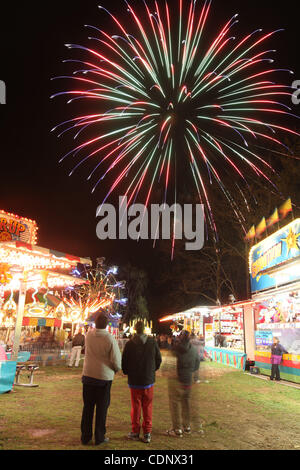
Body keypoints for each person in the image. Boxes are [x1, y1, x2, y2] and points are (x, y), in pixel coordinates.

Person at [81, 312, 121, 446]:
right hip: (103, 377)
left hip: (88, 375)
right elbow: (115, 359)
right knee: (102, 408)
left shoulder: (89, 336)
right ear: (107, 325)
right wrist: (116, 369)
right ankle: (99, 436)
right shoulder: (109, 338)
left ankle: (85, 436)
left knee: (88, 407)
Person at [122, 320, 162, 444]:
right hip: (148, 380)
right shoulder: (152, 342)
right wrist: (151, 370)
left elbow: (124, 362)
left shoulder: (130, 344)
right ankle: (147, 433)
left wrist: (127, 372)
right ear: (144, 329)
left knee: (136, 406)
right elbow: (158, 359)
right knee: (147, 406)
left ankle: (135, 431)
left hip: (135, 380)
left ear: (135, 329)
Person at [166, 330, 202, 437]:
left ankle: (177, 429)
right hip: (188, 380)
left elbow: (169, 365)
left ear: (179, 338)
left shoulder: (175, 349)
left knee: (175, 404)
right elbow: (197, 364)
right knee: (186, 403)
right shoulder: (194, 350)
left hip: (176, 380)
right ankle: (187, 426)